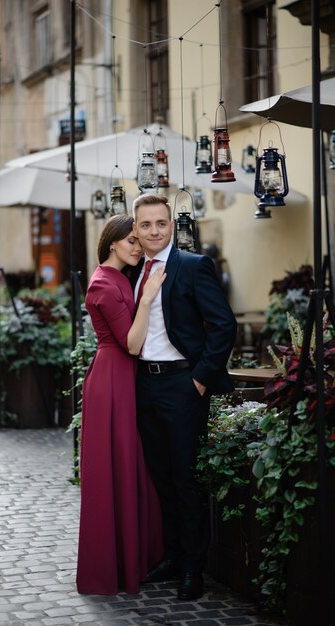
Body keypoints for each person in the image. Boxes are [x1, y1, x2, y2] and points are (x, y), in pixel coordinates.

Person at [131, 194, 237, 601]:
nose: (154, 231)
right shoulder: (134, 273)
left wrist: (200, 380)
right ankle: (173, 557)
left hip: (182, 384)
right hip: (145, 384)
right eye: (146, 225)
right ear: (136, 230)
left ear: (171, 225)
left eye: (161, 223)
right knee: (160, 476)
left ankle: (194, 568)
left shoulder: (193, 266)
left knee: (185, 478)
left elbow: (223, 325)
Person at [76, 214, 166, 595]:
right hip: (113, 378)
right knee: (115, 466)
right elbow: (130, 342)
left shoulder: (117, 277)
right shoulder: (103, 284)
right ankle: (112, 566)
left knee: (130, 464)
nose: (138, 246)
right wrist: (146, 299)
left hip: (122, 376)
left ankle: (137, 555)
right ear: (112, 243)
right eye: (131, 240)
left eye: (138, 240)